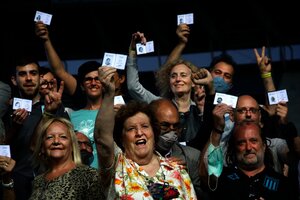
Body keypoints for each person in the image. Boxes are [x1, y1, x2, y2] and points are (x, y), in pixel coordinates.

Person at [94, 66, 197, 199]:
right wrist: (109, 94)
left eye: (145, 126)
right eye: (131, 129)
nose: (139, 132)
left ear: (154, 133)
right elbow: (102, 139)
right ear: (122, 137)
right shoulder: (116, 166)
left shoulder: (176, 169)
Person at [127, 31, 207, 147]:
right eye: (173, 76)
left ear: (193, 82)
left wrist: (202, 111)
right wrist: (133, 51)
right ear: (168, 82)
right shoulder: (159, 104)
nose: (178, 79)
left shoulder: (202, 108)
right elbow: (133, 86)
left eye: (183, 75)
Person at [5, 55, 67, 200]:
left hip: (52, 179)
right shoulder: (6, 110)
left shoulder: (54, 105)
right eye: (22, 74)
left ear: (40, 78)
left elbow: (67, 142)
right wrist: (15, 127)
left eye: (33, 73)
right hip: (18, 181)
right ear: (14, 80)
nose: (28, 78)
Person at [206, 121, 293, 200]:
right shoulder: (221, 181)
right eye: (241, 143)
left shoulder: (283, 185)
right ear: (234, 148)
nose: (248, 147)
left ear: (264, 145)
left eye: (253, 141)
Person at [29, 117, 104, 200]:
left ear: (72, 145)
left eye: (63, 137)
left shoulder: (89, 175)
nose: (56, 141)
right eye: (50, 137)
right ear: (42, 147)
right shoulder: (38, 181)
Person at [149, 98, 209, 199]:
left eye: (175, 126)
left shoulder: (192, 157)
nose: (171, 131)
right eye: (165, 126)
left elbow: (202, 196)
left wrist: (184, 178)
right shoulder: (136, 157)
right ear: (149, 124)